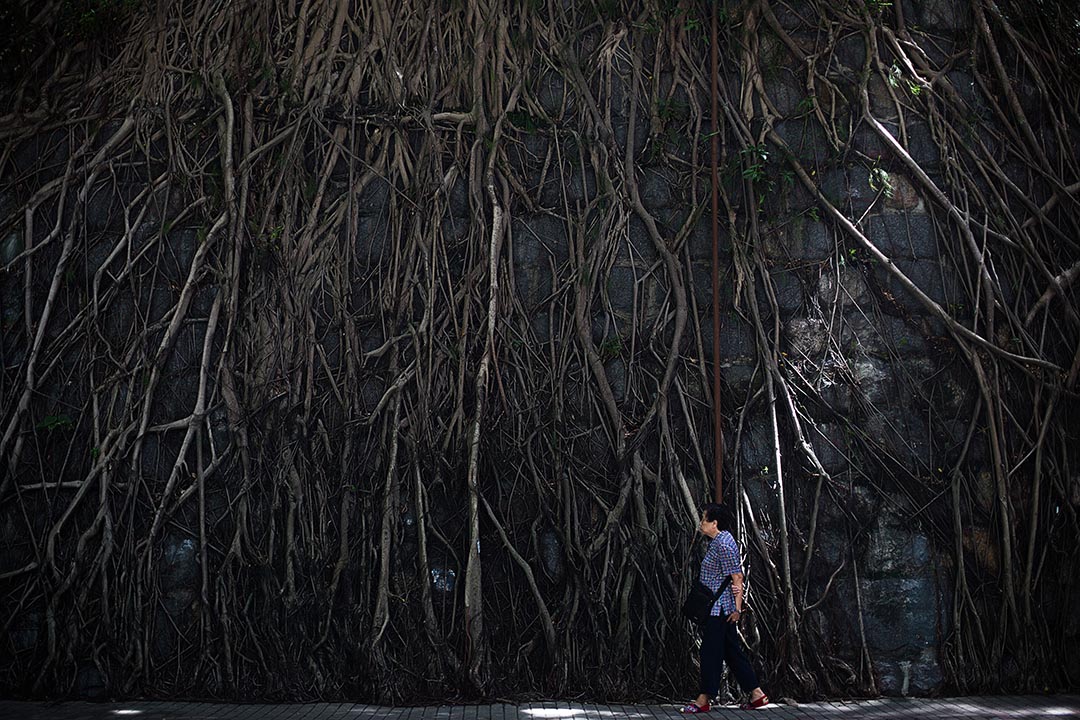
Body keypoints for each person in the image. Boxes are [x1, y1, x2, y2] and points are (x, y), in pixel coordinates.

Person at [682, 503, 769, 712]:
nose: (701, 523)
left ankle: (703, 700)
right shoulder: (718, 541)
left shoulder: (723, 545)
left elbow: (737, 577)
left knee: (709, 653)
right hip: (720, 608)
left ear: (715, 523)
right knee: (732, 652)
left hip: (719, 610)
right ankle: (757, 694)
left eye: (704, 519)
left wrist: (737, 609)